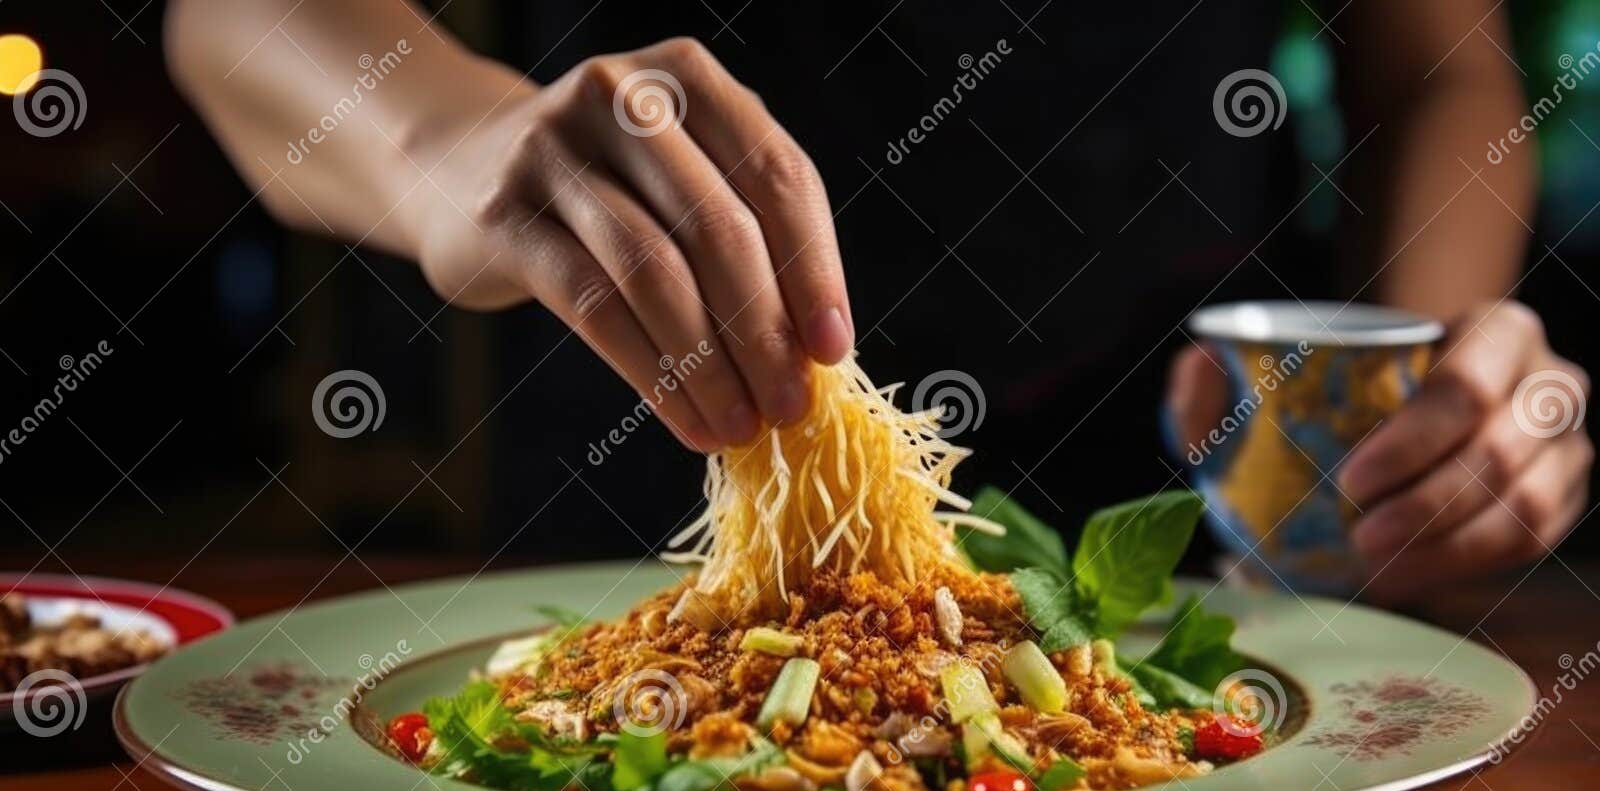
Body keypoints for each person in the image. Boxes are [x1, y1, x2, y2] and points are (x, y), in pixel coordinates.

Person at [164, 0, 1591, 601]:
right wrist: (443, 148)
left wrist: (1416, 409)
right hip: (656, 437)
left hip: (1175, 462)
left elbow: (1437, 61)